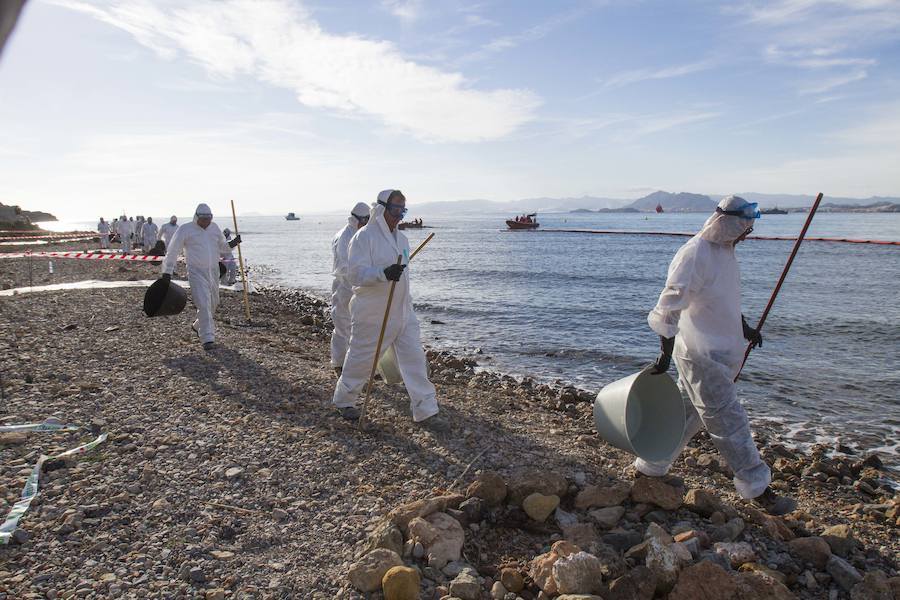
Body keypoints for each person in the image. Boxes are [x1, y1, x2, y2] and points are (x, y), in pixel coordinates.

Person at [638, 195, 794, 515]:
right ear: (728, 224)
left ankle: (650, 465)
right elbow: (669, 309)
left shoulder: (725, 252)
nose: (746, 236)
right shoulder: (694, 254)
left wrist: (745, 328)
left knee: (685, 416)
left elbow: (721, 302)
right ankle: (758, 488)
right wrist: (664, 356)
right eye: (743, 229)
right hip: (700, 355)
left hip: (722, 351)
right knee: (728, 418)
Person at [333, 189, 446, 430]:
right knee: (361, 358)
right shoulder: (364, 237)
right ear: (382, 208)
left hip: (403, 310)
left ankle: (426, 408)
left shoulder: (402, 240)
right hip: (373, 311)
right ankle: (344, 400)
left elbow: (404, 278)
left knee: (414, 358)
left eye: (403, 210)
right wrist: (382, 274)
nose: (400, 216)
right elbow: (354, 274)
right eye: (396, 210)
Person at [160, 204, 241, 350]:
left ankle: (198, 325)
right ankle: (207, 338)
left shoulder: (214, 228)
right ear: (197, 217)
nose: (207, 222)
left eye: (209, 219)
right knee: (203, 302)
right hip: (196, 271)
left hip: (213, 271)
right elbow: (173, 250)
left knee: (213, 303)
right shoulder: (185, 230)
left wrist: (233, 243)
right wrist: (167, 271)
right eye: (204, 219)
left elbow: (222, 247)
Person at [330, 202, 371, 374]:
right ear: (356, 219)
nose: (366, 222)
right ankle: (339, 364)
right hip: (344, 285)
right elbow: (345, 266)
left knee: (360, 326)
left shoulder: (361, 235)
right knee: (342, 324)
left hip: (358, 286)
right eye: (364, 219)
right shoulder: (344, 236)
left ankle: (358, 364)